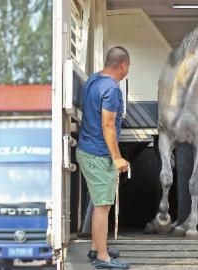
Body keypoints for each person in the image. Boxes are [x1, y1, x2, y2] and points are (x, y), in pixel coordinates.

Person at [76, 46, 130, 269]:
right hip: (98, 153)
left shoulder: (92, 80)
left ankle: (95, 247)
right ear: (124, 66)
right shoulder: (112, 90)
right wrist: (117, 158)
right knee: (103, 205)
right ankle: (102, 257)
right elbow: (108, 125)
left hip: (87, 149)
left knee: (99, 202)